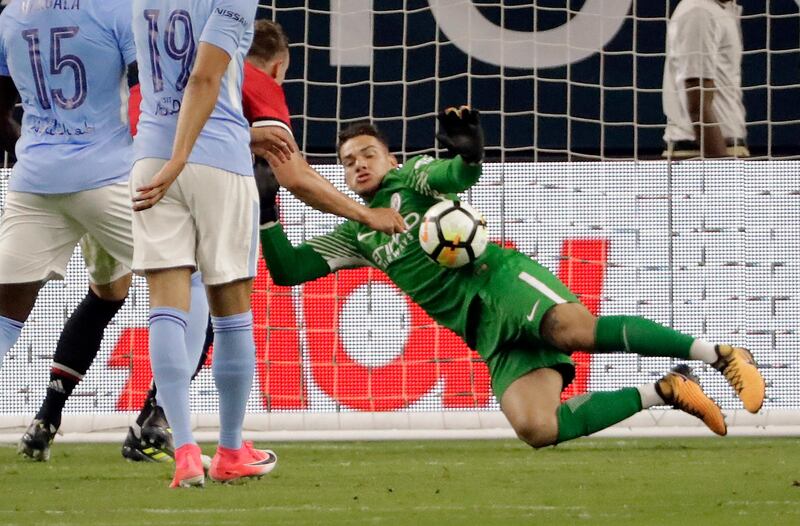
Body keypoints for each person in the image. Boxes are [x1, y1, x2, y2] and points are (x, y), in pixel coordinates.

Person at [259, 107, 767, 449]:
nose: (358, 165)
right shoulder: (356, 235)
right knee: (536, 427)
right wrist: (266, 210)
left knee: (573, 330)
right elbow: (288, 272)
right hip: (481, 328)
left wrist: (468, 154)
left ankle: (720, 355)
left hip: (500, 280)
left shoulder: (410, 177)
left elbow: (454, 177)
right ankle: (668, 390)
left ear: (388, 157)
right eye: (348, 162)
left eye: (368, 154)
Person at [130, 0, 404, 488]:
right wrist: (367, 214)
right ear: (279, 66)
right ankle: (231, 449)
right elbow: (287, 168)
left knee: (166, 305)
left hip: (143, 159)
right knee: (230, 312)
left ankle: (184, 448)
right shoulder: (255, 73)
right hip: (213, 162)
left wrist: (165, 158)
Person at [0, 0, 208, 462]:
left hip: (34, 183)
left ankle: (47, 419)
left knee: (22, 313)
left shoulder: (12, 14)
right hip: (110, 179)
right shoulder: (115, 9)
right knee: (191, 281)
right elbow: (148, 88)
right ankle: (159, 419)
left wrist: (37, 148)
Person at [662, 0, 749, 158]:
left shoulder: (721, 11)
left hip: (720, 150)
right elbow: (698, 103)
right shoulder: (699, 12)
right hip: (700, 154)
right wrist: (719, 166)